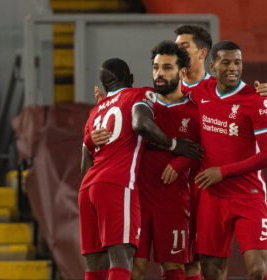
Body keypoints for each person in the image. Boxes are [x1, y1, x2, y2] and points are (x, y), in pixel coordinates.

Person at [79, 58, 203, 280]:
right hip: (117, 184)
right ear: (131, 79)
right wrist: (174, 144)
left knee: (95, 263)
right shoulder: (139, 94)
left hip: (87, 188)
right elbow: (141, 124)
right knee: (122, 260)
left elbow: (84, 163)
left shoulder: (95, 111)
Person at [174, 24, 267, 280]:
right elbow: (165, 101)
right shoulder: (199, 93)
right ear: (213, 68)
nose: (233, 68)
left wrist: (224, 172)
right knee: (211, 271)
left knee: (258, 270)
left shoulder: (256, 101)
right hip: (212, 198)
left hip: (247, 195)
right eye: (226, 63)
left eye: (238, 63)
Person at [132, 41, 200, 280]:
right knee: (133, 270)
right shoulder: (144, 105)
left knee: (173, 269)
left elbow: (204, 151)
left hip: (172, 201)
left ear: (182, 72)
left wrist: (179, 162)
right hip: (137, 201)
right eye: (156, 67)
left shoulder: (195, 111)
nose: (159, 73)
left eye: (167, 67)